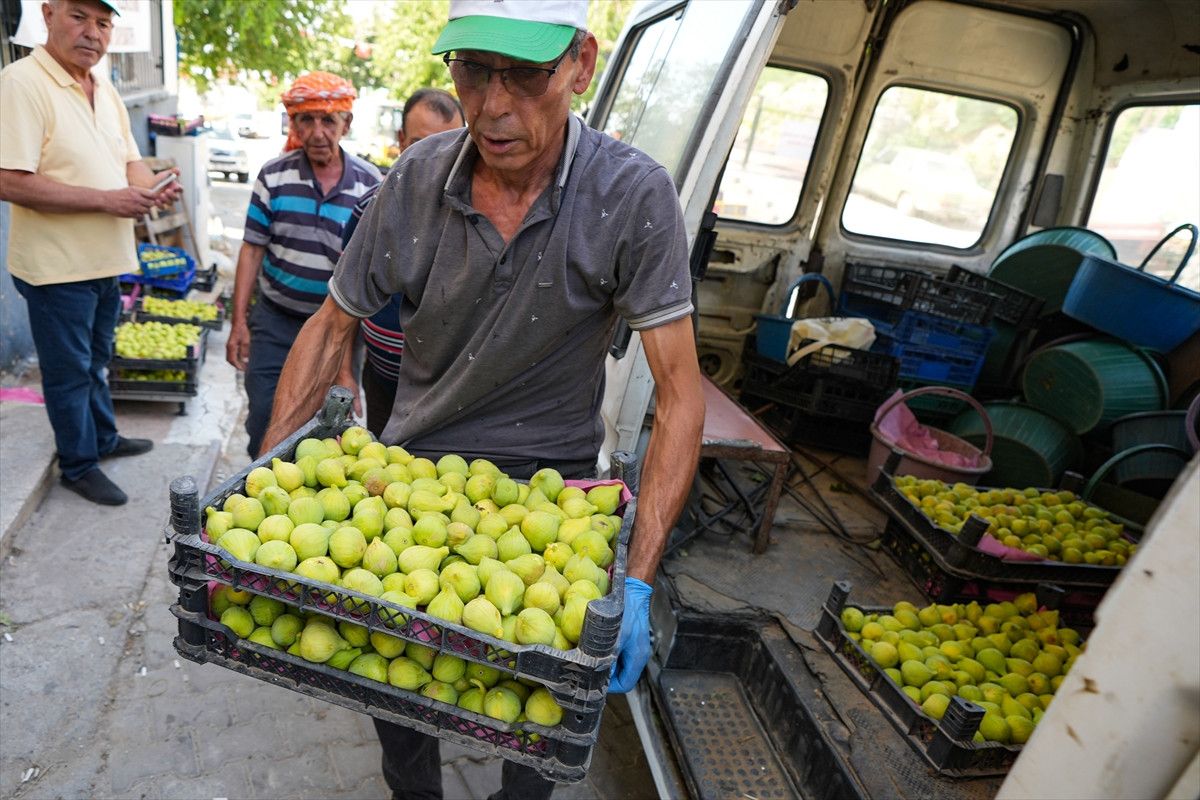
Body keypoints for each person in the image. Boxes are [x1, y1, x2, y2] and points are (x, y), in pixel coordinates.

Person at [261, 1, 705, 797]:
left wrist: (637, 579)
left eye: (527, 74)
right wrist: (262, 488)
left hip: (557, 492)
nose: (494, 106)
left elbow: (680, 394)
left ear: (580, 64)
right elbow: (332, 327)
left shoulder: (630, 195)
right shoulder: (415, 179)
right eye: (472, 71)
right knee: (393, 689)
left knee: (534, 730)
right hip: (410, 478)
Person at [0, 0, 182, 506]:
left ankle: (103, 437)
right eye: (79, 16)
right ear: (49, 13)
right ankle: (78, 465)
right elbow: (9, 180)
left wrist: (151, 189)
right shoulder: (21, 83)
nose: (92, 33)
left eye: (103, 23)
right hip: (56, 267)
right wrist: (109, 200)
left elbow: (129, 162)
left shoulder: (105, 89)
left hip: (108, 259)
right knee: (69, 371)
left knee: (97, 360)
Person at [225, 71, 382, 458]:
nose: (317, 132)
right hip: (276, 321)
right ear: (292, 124)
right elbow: (251, 250)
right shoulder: (274, 177)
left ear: (346, 124)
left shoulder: (369, 184)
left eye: (328, 120)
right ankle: (257, 487)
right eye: (305, 120)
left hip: (339, 326)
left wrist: (345, 361)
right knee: (264, 412)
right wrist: (239, 321)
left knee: (326, 425)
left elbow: (363, 278)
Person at [342, 88, 466, 437]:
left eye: (450, 143)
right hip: (382, 382)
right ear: (400, 140)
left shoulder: (476, 217)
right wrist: (344, 372)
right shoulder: (369, 210)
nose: (436, 157)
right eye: (420, 142)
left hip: (447, 396)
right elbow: (344, 305)